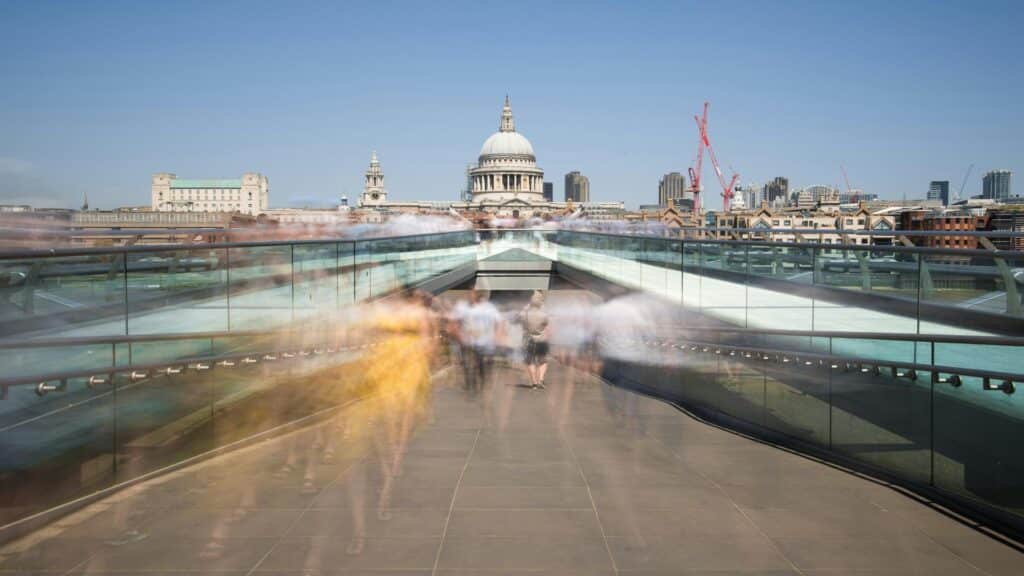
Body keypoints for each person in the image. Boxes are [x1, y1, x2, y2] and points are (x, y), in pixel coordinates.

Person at [452, 290, 503, 392]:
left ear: (478, 295)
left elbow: (499, 322)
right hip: (467, 342)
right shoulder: (462, 307)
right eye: (469, 293)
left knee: (482, 366)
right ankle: (471, 385)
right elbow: (455, 322)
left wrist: (497, 336)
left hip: (484, 343)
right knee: (467, 365)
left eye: (472, 293)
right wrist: (459, 336)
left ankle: (483, 383)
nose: (469, 296)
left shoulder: (489, 308)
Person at [519, 290, 550, 390]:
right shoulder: (544, 315)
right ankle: (540, 379)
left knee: (530, 361)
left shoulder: (524, 314)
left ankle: (534, 383)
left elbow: (521, 323)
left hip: (529, 340)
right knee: (543, 361)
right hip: (541, 340)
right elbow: (546, 325)